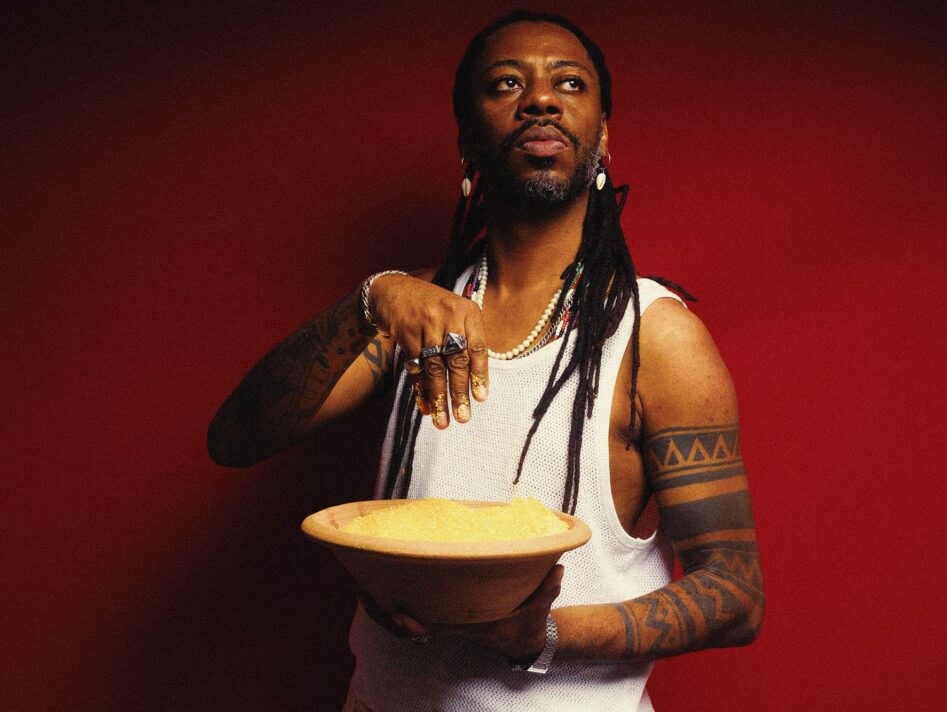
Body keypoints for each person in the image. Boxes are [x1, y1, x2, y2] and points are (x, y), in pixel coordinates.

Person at [208, 10, 763, 711]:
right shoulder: (411, 316)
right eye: (507, 83)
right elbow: (235, 439)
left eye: (569, 83)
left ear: (603, 136)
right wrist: (370, 298)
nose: (541, 99)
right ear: (467, 138)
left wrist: (543, 634)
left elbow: (736, 595)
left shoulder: (654, 336)